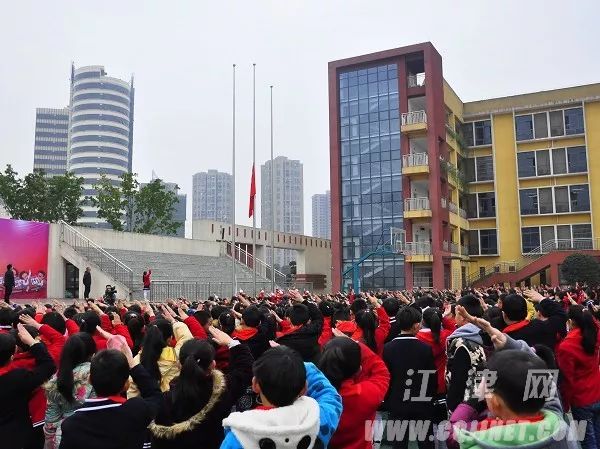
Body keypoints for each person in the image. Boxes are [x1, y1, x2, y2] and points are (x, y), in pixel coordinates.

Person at [450, 306, 577, 449]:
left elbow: (453, 433)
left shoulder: (477, 440)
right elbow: (543, 379)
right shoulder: (559, 428)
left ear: (495, 402)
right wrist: (509, 344)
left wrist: (471, 402)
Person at [149, 327, 254, 449]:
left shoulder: (163, 401)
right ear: (213, 364)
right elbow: (245, 368)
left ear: (179, 365)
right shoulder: (223, 390)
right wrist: (232, 342)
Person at [220, 345, 342, 449]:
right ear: (304, 388)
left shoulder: (238, 437)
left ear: (255, 385)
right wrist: (292, 364)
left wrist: (280, 365)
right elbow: (330, 395)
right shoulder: (319, 418)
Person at [58, 341, 163, 449]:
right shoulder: (136, 411)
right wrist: (132, 364)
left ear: (90, 380)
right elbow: (155, 395)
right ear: (126, 385)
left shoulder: (71, 425)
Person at [319, 335, 390, 449]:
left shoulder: (313, 397)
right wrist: (356, 343)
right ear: (359, 369)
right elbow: (382, 372)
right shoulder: (366, 394)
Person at [383, 305, 436, 449]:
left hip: (397, 401)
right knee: (426, 443)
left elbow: (386, 378)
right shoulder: (425, 349)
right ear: (416, 325)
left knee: (399, 444)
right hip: (422, 402)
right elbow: (431, 378)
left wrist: (388, 400)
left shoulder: (388, 349)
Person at [0, 324, 56, 449]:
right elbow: (48, 366)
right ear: (13, 353)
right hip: (16, 436)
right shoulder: (17, 378)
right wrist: (33, 342)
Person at [556, 305, 600, 449]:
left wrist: (565, 404)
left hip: (581, 400)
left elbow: (568, 380)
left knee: (587, 440)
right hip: (597, 391)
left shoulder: (566, 346)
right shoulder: (595, 333)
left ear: (570, 322)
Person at [44, 333, 97, 449]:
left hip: (64, 437)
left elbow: (51, 421)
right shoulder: (97, 373)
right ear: (92, 353)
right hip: (94, 433)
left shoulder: (55, 380)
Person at [127, 309, 193, 397]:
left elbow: (132, 393)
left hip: (150, 407)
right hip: (174, 402)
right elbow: (186, 337)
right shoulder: (176, 355)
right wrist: (174, 322)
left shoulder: (136, 362)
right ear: (169, 339)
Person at [445, 294, 486, 413]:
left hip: (464, 406)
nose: (454, 317)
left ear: (463, 317)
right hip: (483, 401)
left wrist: (453, 407)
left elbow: (458, 379)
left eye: (456, 314)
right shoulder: (487, 335)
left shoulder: (462, 343)